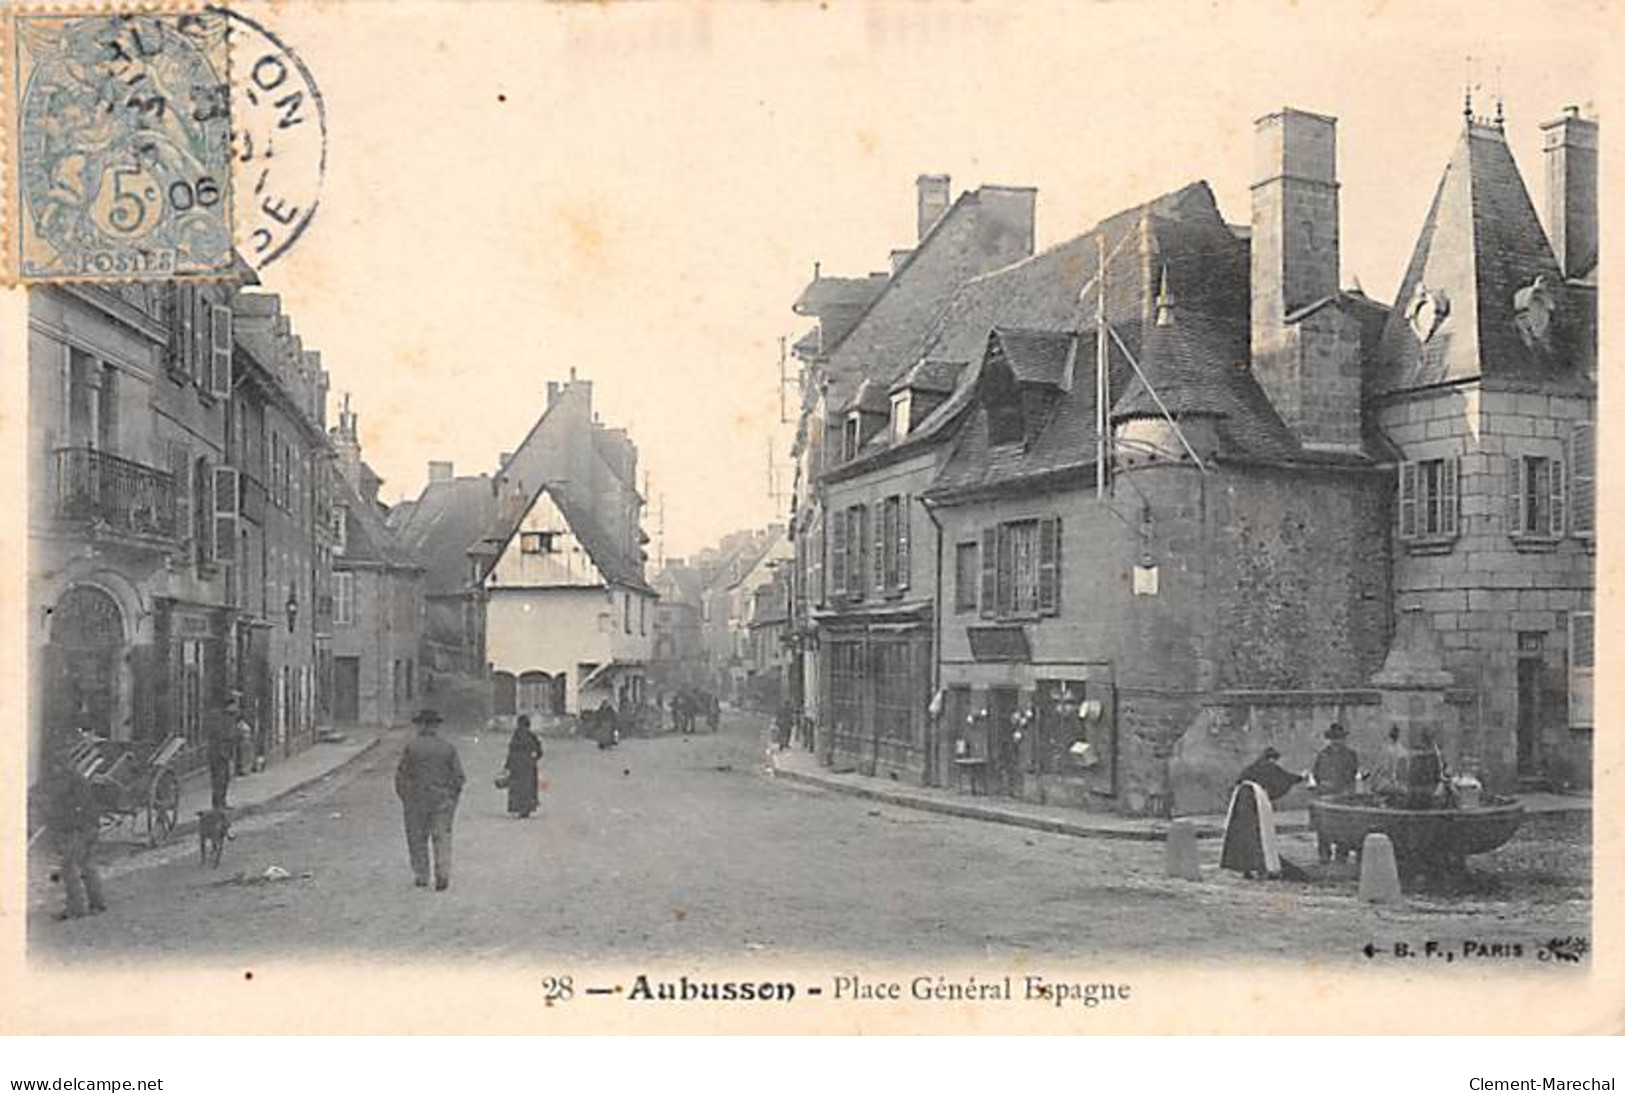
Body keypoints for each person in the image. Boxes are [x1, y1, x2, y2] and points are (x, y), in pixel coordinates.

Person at [394, 709, 465, 891]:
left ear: (420, 725)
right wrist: (452, 798)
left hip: (416, 801)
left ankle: (422, 875)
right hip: (442, 801)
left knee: (417, 839)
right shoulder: (447, 748)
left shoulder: (412, 748)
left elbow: (401, 776)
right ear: (435, 726)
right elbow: (458, 777)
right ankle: (442, 873)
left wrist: (406, 798)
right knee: (442, 837)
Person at [41, 734, 106, 920]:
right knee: (88, 865)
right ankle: (97, 903)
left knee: (68, 866)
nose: (54, 769)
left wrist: (56, 821)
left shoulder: (69, 781)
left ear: (60, 765)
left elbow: (71, 809)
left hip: (80, 829)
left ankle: (77, 909)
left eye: (56, 765)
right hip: (91, 826)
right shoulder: (77, 779)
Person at [1220, 747, 1307, 881]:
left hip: (1240, 800)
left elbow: (1237, 782)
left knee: (1242, 834)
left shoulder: (1251, 767)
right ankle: (1262, 866)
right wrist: (1301, 777)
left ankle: (1246, 868)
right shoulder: (1269, 767)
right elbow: (1284, 778)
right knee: (1260, 833)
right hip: (1255, 800)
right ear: (1272, 759)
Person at [1310, 724, 1361, 863]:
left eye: (1339, 738)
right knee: (1323, 827)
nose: (1336, 742)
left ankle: (1341, 855)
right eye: (1333, 739)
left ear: (1344, 739)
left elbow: (1352, 773)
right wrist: (1323, 784)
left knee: (1342, 827)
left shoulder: (1350, 755)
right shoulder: (1323, 754)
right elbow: (1316, 772)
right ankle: (1324, 855)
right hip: (1325, 795)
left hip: (1342, 795)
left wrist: (1341, 787)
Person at [504, 715, 544, 819]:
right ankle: (527, 808)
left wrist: (507, 765)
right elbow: (539, 750)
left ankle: (518, 807)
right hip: (529, 765)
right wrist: (534, 759)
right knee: (528, 787)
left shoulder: (516, 736)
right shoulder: (531, 735)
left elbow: (511, 751)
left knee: (517, 788)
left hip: (516, 765)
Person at [207, 704, 237, 809]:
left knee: (224, 778)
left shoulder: (230, 717)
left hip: (224, 751)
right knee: (219, 778)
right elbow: (219, 735)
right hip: (218, 752)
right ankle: (218, 803)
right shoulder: (219, 717)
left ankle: (221, 801)